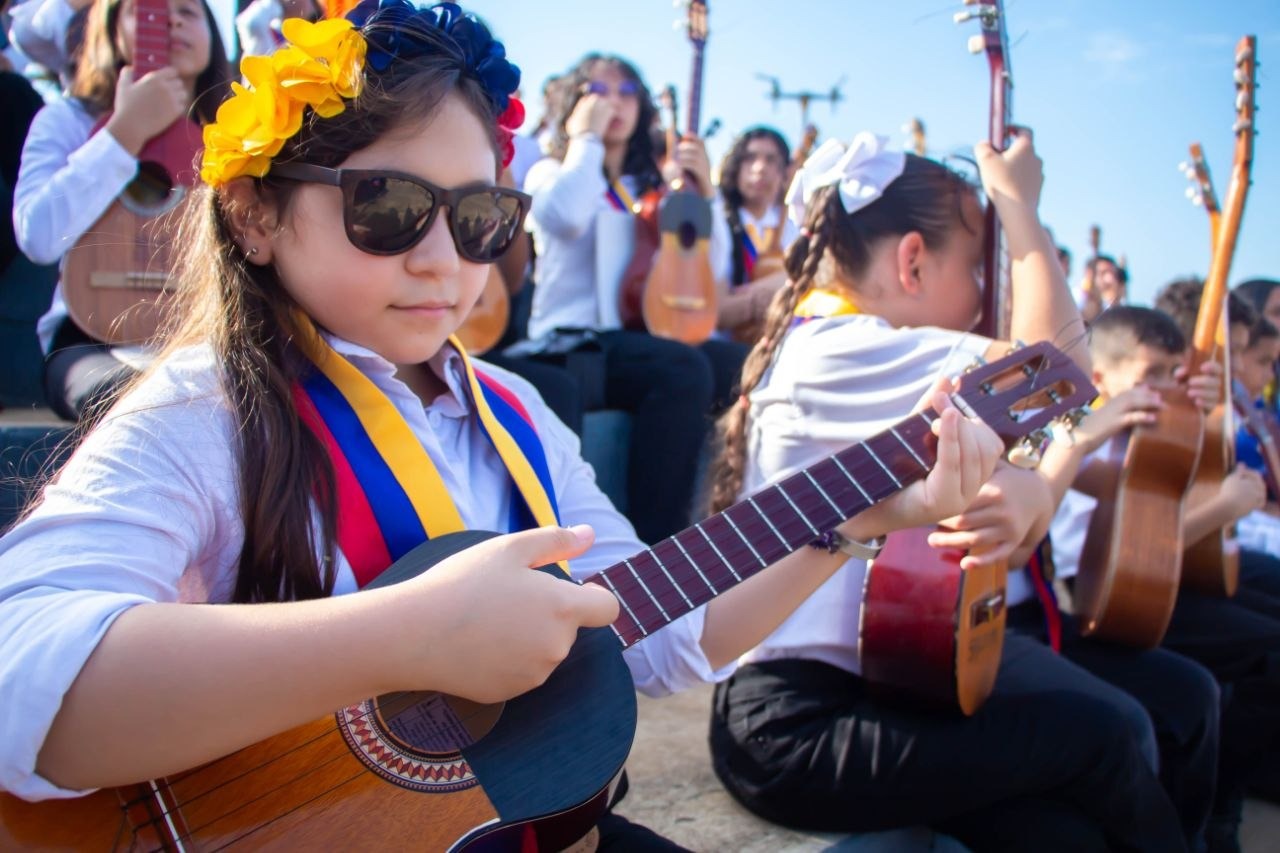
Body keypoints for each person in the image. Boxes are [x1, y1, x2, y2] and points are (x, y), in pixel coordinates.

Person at [0, 8, 1005, 853]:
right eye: (387, 207)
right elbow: (19, 673)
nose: (445, 261)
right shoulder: (205, 405)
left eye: (480, 217)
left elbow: (659, 638)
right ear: (255, 214)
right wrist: (402, 636)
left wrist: (853, 514)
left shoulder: (512, 413)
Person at [704, 130, 1207, 853]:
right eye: (975, 268)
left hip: (876, 690)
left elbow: (1036, 420)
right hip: (794, 728)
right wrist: (1020, 210)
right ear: (912, 261)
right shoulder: (835, 349)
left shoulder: (839, 343)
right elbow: (1056, 378)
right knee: (1100, 735)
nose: (981, 297)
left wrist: (1033, 480)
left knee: (1064, 833)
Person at [1046, 305, 1280, 853]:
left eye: (1170, 375)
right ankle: (1212, 819)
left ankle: (1218, 807)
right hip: (1105, 597)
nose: (1161, 388)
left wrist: (1203, 410)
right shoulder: (1079, 440)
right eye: (1148, 375)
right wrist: (1223, 508)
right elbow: (1128, 552)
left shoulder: (1156, 426)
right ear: (1099, 379)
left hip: (1152, 585)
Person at [520, 52, 747, 543]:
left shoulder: (653, 190)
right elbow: (565, 217)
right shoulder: (550, 171)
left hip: (639, 338)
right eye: (598, 92)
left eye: (626, 92)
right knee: (681, 369)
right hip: (572, 343)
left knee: (740, 363)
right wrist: (586, 140)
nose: (614, 104)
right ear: (575, 104)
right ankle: (659, 543)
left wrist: (705, 195)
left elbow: (710, 268)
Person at [12, 0, 231, 421]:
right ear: (111, 30)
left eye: (189, 10)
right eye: (146, 10)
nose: (171, 19)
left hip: (205, 336)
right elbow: (37, 235)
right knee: (134, 402)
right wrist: (125, 132)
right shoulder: (67, 122)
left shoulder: (239, 139)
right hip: (90, 340)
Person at [713, 125, 795, 344]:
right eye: (750, 158)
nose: (760, 168)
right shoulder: (717, 217)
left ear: (784, 172)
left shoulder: (792, 226)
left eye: (771, 160)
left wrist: (754, 291)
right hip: (722, 344)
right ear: (735, 167)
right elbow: (715, 309)